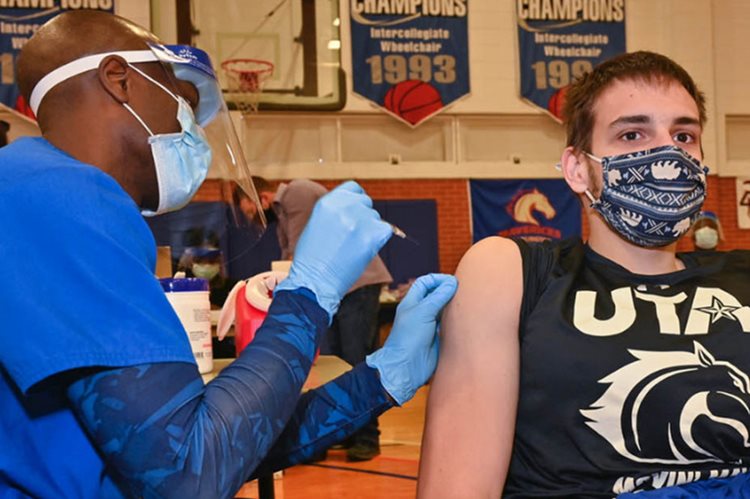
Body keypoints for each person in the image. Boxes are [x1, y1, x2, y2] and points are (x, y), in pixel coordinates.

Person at [0, 11, 458, 498]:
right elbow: (188, 474)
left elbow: (214, 443)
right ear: (120, 81)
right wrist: (309, 293)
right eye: (184, 104)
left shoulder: (36, 193)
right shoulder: (61, 196)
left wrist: (379, 380)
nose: (192, 132)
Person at [418, 51, 750, 498]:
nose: (668, 153)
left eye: (684, 135)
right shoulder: (515, 272)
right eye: (633, 134)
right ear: (577, 168)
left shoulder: (741, 274)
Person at [247, 176, 393, 461]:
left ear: (261, 197)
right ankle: (347, 431)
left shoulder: (295, 193)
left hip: (358, 283)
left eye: (247, 208)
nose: (250, 215)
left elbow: (301, 249)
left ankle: (367, 437)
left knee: (354, 358)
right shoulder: (282, 210)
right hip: (340, 287)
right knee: (337, 363)